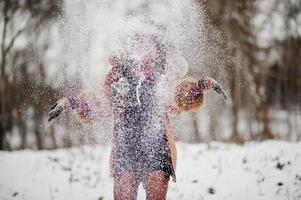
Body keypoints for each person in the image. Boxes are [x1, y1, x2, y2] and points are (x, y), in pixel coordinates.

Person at [48, 33, 227, 200]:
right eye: (138, 44)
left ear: (157, 50)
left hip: (157, 146)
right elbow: (100, 107)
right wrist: (70, 103)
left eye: (147, 45)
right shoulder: (117, 77)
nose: (142, 48)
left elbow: (181, 98)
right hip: (126, 147)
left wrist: (203, 85)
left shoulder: (165, 77)